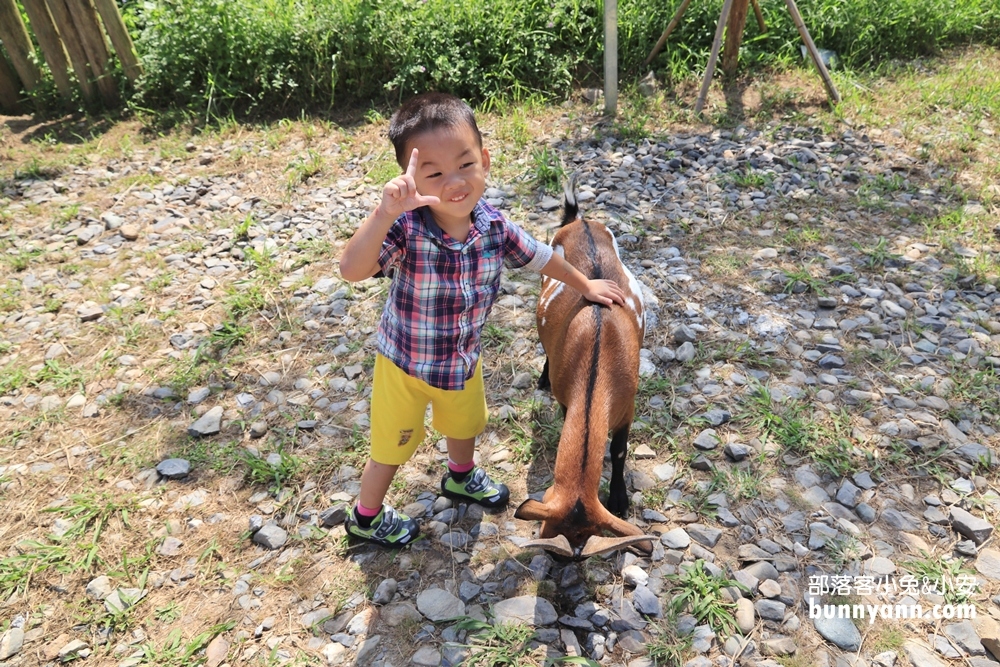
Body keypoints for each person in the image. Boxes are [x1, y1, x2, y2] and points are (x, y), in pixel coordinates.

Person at [338, 92, 624, 547]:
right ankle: (366, 517)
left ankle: (460, 475)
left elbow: (542, 258)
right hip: (404, 367)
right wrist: (384, 211)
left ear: (485, 161)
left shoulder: (493, 227)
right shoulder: (406, 229)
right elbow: (351, 270)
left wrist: (585, 285)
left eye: (465, 164)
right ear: (410, 178)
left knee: (466, 425)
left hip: (461, 360)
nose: (454, 182)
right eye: (433, 172)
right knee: (390, 448)